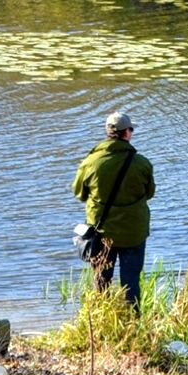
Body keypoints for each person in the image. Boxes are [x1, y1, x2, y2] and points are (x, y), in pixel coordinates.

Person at [72, 111, 155, 312]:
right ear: (126, 133)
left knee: (101, 279)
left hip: (101, 232)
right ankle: (133, 325)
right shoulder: (141, 163)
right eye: (131, 129)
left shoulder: (90, 162)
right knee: (131, 281)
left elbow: (79, 193)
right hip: (133, 233)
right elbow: (149, 193)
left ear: (108, 132)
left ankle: (102, 320)